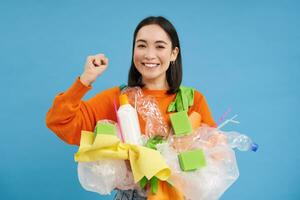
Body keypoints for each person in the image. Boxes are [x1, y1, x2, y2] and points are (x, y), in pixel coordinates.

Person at [46, 16, 216, 200]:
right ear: (133, 50)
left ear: (174, 53)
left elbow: (214, 156)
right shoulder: (119, 100)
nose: (149, 55)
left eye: (160, 46)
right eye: (142, 45)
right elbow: (59, 121)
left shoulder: (192, 101)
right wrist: (85, 79)